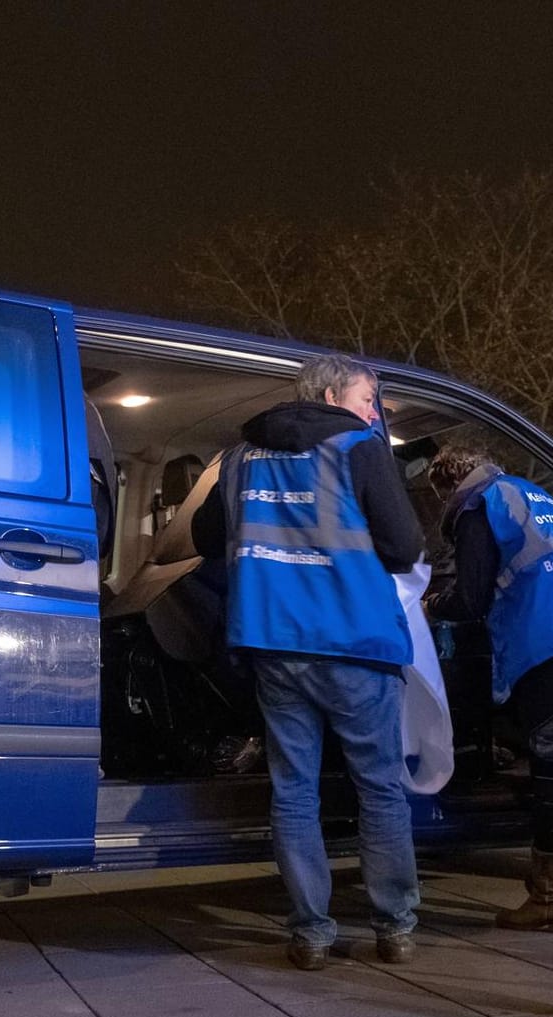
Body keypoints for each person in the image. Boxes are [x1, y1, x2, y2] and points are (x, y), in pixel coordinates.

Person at [191, 354, 426, 971]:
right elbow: (405, 547)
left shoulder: (239, 457)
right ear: (330, 394)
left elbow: (204, 541)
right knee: (378, 788)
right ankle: (394, 925)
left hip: (272, 642)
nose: (375, 411)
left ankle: (312, 934)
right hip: (354, 642)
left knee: (293, 791)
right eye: (369, 397)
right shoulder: (357, 447)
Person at [422, 447, 553, 930]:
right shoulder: (530, 493)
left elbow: (471, 596)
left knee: (549, 767)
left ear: (446, 488)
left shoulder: (477, 506)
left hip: (547, 644)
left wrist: (430, 605)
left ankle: (548, 899)